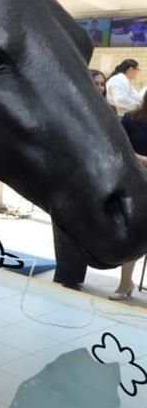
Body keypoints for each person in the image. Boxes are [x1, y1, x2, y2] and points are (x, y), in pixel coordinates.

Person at [53, 69, 118, 289]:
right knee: (66, 227)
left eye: (102, 84)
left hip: (97, 178)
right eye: (96, 83)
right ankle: (66, 274)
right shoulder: (68, 106)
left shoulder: (110, 110)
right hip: (69, 175)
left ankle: (74, 275)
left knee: (86, 226)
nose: (100, 87)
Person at [111, 93, 147, 300]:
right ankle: (125, 284)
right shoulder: (132, 118)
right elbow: (118, 144)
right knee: (133, 232)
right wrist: (139, 158)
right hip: (134, 180)